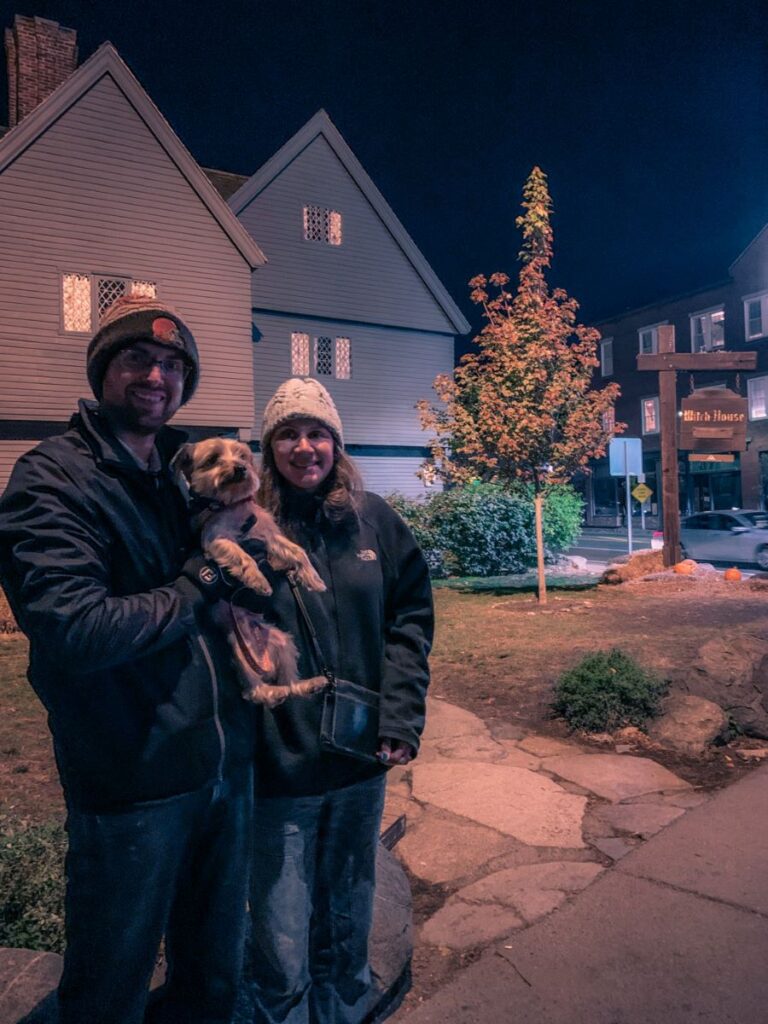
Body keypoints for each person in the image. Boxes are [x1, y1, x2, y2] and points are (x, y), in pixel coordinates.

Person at [0, 295, 255, 1024]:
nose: (157, 376)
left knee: (210, 977)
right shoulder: (54, 479)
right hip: (133, 783)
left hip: (217, 767)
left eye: (175, 365)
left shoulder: (173, 478)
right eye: (139, 357)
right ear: (102, 369)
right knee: (110, 988)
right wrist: (203, 576)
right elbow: (75, 629)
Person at [245, 378, 434, 1024]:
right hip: (278, 774)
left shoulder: (374, 519)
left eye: (317, 432)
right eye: (289, 435)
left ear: (336, 442)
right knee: (282, 941)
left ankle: (345, 1012)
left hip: (358, 763)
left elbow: (409, 619)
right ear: (269, 448)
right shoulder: (245, 529)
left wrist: (402, 717)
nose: (305, 447)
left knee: (348, 929)